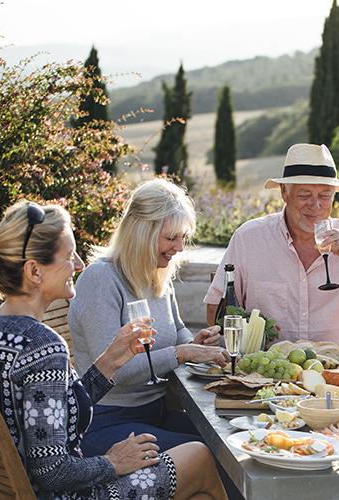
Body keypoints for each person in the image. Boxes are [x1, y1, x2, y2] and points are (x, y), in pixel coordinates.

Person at [0, 200, 227, 500]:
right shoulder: (43, 346)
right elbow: (52, 472)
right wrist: (113, 462)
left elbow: (54, 415)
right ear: (34, 271)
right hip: (67, 494)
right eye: (68, 256)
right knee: (200, 457)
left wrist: (110, 362)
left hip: (18, 490)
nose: (78, 264)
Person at [69, 178, 231, 457]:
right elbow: (115, 371)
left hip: (153, 413)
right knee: (214, 455)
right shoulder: (101, 280)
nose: (180, 247)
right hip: (105, 422)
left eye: (183, 237)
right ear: (140, 233)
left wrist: (196, 344)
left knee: (232, 439)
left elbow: (176, 329)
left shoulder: (155, 274)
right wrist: (181, 353)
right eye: (171, 238)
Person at [204, 143, 339, 344]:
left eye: (325, 195)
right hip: (267, 373)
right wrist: (255, 329)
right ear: (284, 193)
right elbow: (215, 312)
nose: (316, 205)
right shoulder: (249, 238)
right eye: (305, 195)